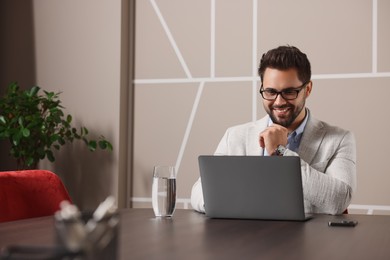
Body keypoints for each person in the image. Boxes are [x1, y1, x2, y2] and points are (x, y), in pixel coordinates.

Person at [191, 45, 356, 215]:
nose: (278, 102)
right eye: (270, 92)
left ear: (307, 89)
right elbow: (198, 193)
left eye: (289, 92)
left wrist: (280, 153)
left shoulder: (339, 139)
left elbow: (339, 200)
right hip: (246, 238)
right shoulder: (235, 136)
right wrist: (241, 201)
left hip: (309, 240)